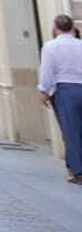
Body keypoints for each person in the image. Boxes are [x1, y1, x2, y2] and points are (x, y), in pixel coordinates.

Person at [37, 13, 82, 183]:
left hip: (65, 91)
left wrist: (43, 91)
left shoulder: (50, 47)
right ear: (72, 28)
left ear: (55, 29)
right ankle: (75, 168)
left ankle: (77, 171)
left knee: (71, 132)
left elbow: (47, 71)